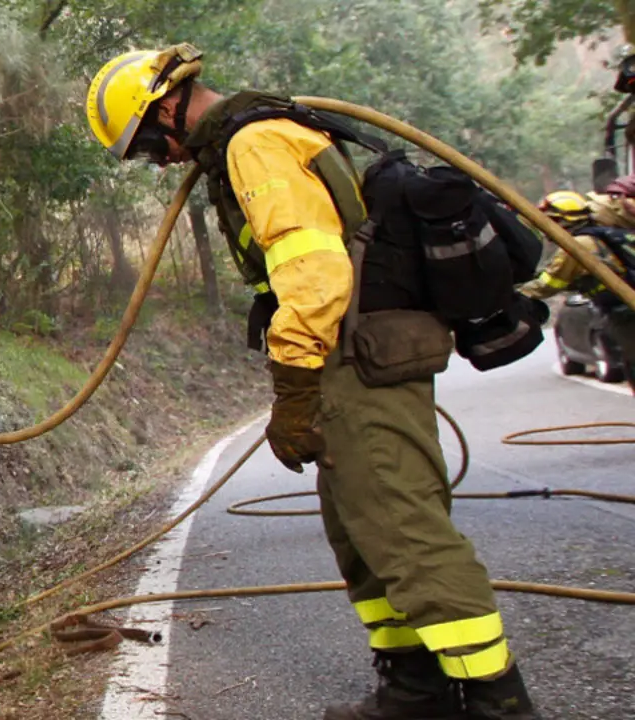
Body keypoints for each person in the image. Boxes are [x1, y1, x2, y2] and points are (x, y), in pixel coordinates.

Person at [86, 45, 537, 719]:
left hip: (356, 358)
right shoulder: (253, 138)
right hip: (347, 357)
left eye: (151, 142)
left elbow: (316, 275)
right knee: (361, 533)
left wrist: (293, 389)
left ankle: (501, 703)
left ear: (169, 106)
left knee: (405, 534)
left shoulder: (255, 144)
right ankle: (414, 691)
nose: (163, 158)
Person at [521, 190, 635, 393]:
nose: (547, 232)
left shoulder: (577, 245)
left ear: (560, 221)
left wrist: (518, 293)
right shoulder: (601, 237)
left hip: (625, 313)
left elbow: (549, 284)